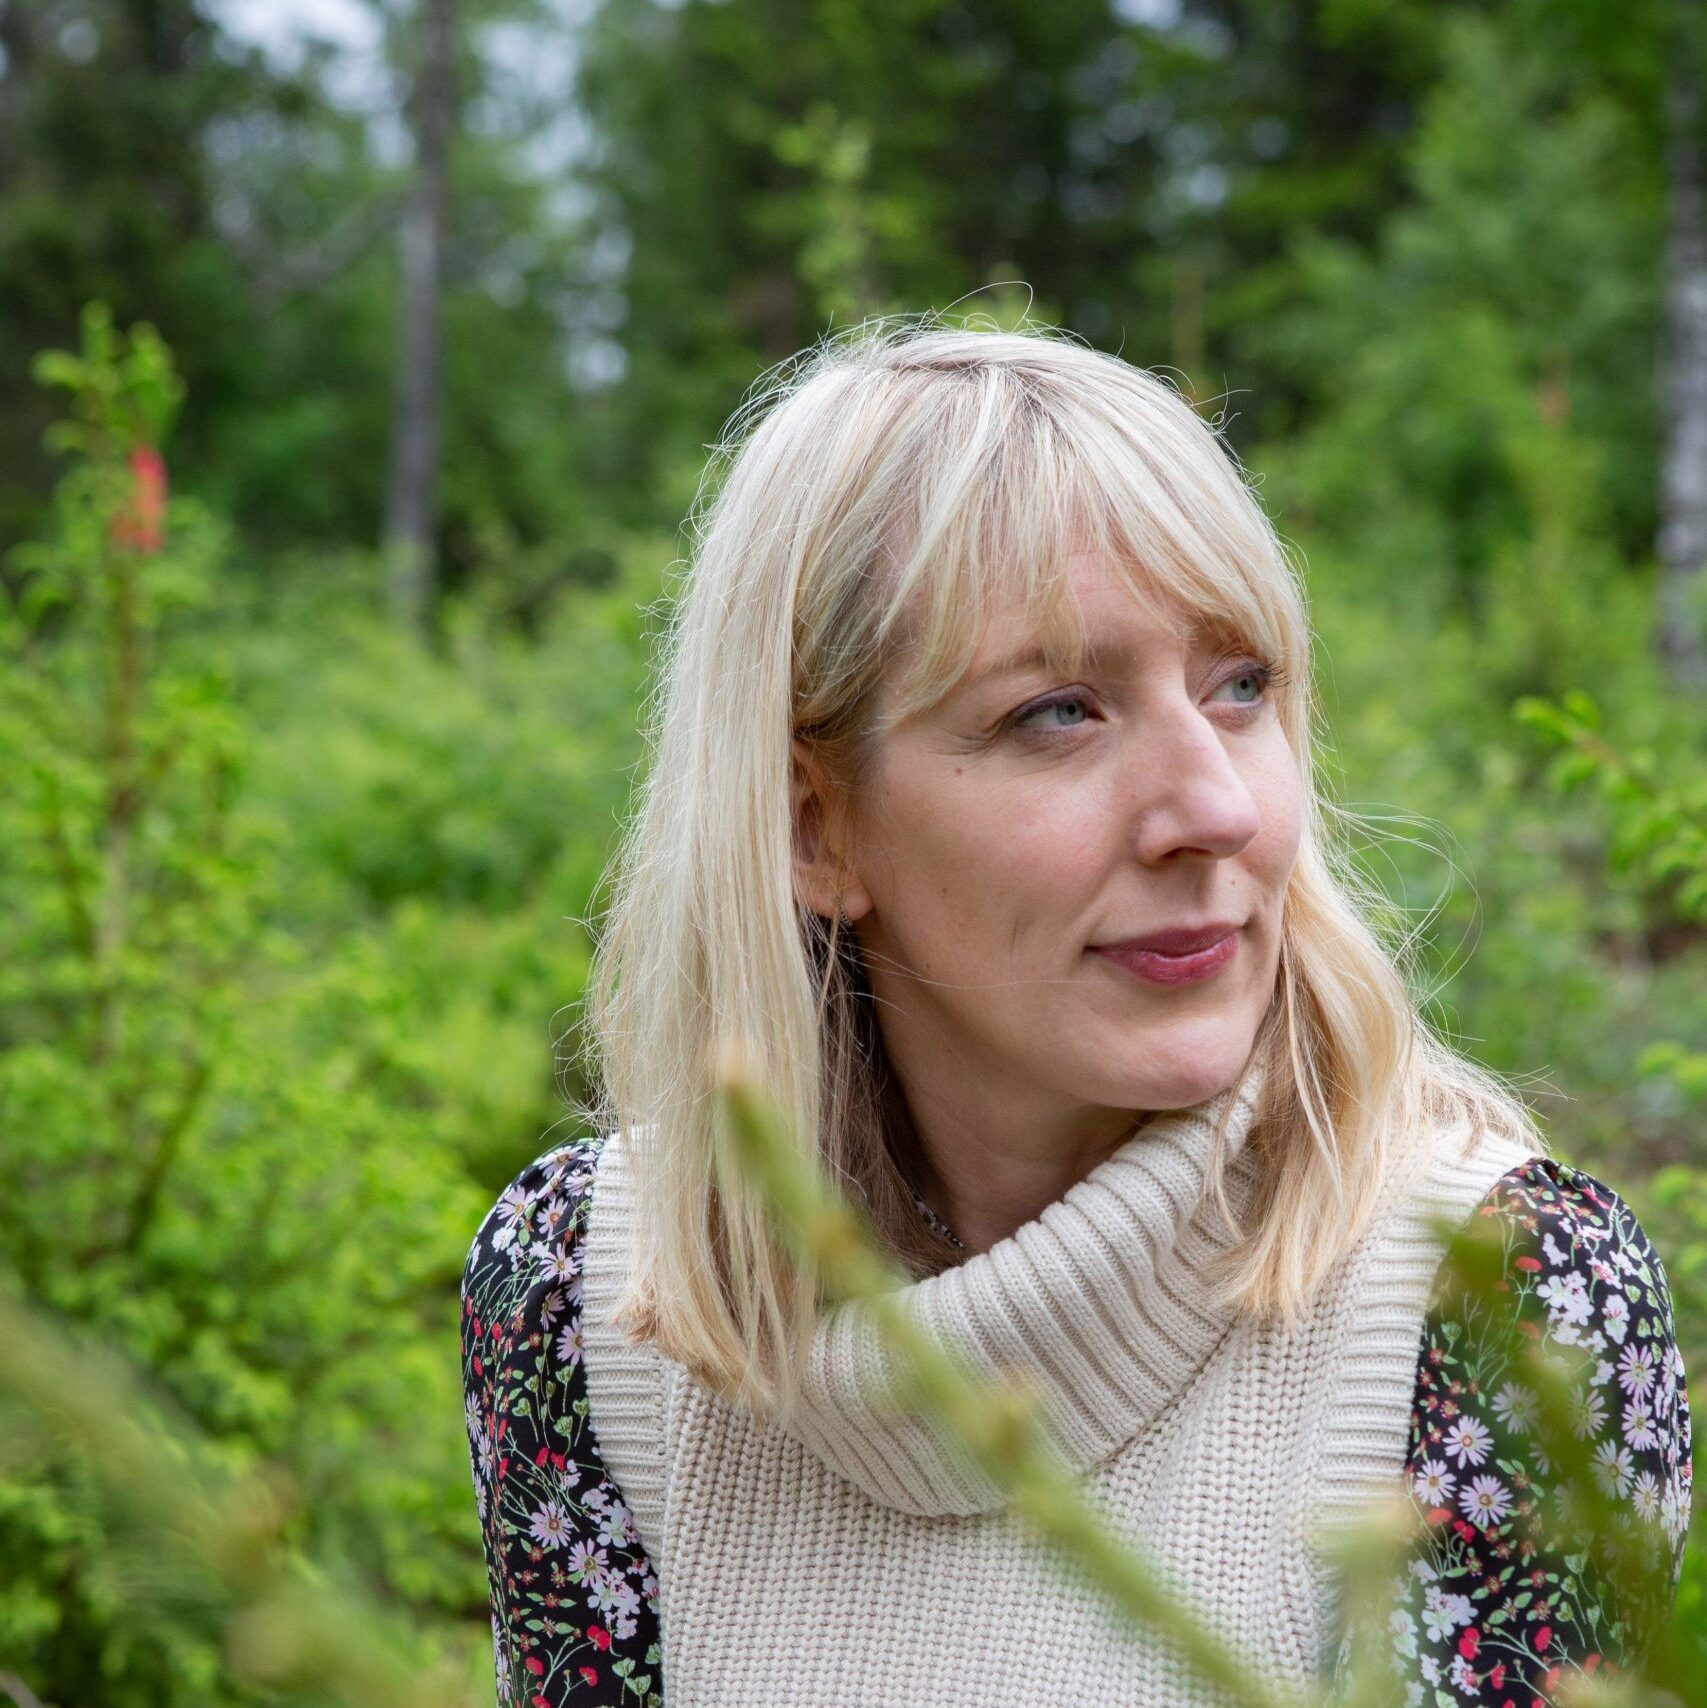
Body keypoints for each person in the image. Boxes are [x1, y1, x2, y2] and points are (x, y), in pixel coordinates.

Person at [459, 320, 1692, 1707]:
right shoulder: (588, 1302)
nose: (1217, 807)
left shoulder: (1491, 1301)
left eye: (1242, 687)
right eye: (1060, 712)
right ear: (815, 826)